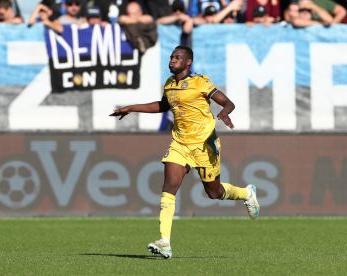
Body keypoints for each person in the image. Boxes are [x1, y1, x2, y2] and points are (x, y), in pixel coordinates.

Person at [110, 45, 260, 259]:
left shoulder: (201, 82)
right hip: (180, 143)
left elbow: (228, 103)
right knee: (169, 186)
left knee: (214, 192)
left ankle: (247, 193)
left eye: (177, 57)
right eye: (171, 57)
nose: (172, 60)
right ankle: (164, 242)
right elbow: (163, 105)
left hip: (204, 144)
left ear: (188, 62)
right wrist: (131, 107)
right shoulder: (170, 84)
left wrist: (224, 113)